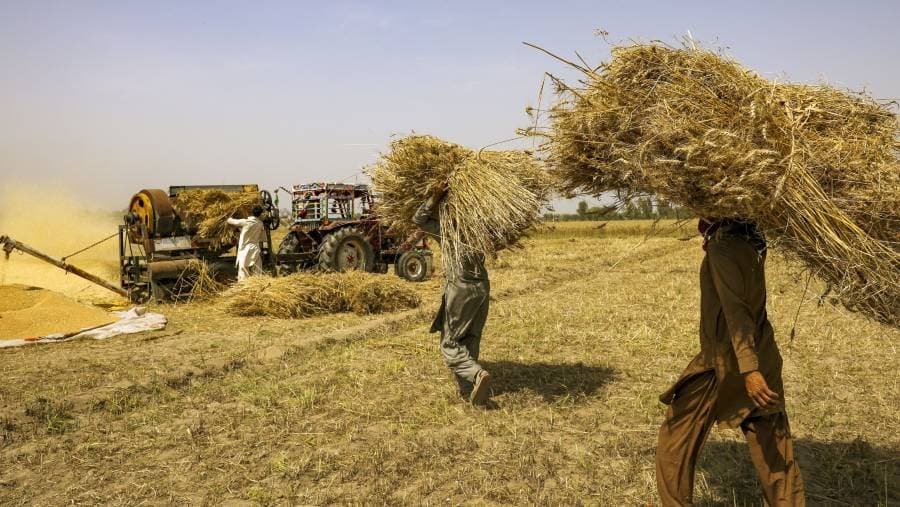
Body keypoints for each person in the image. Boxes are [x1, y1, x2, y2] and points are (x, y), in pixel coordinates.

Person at [655, 219, 805, 506]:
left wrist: (749, 369)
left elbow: (736, 312)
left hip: (725, 365)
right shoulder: (753, 242)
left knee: (676, 440)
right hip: (763, 355)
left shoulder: (724, 246)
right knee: (776, 457)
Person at [411, 182, 493, 406]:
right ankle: (471, 390)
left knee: (450, 343)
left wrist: (434, 198)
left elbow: (418, 219)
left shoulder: (447, 229)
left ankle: (477, 375)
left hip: (462, 286)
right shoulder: (481, 228)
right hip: (483, 286)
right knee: (471, 337)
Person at [227, 205, 266, 282]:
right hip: (255, 249)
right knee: (257, 272)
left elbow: (231, 221)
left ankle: (244, 288)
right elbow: (263, 238)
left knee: (243, 271)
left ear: (252, 212)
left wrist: (229, 216)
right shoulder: (260, 224)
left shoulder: (245, 222)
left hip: (245, 250)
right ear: (260, 214)